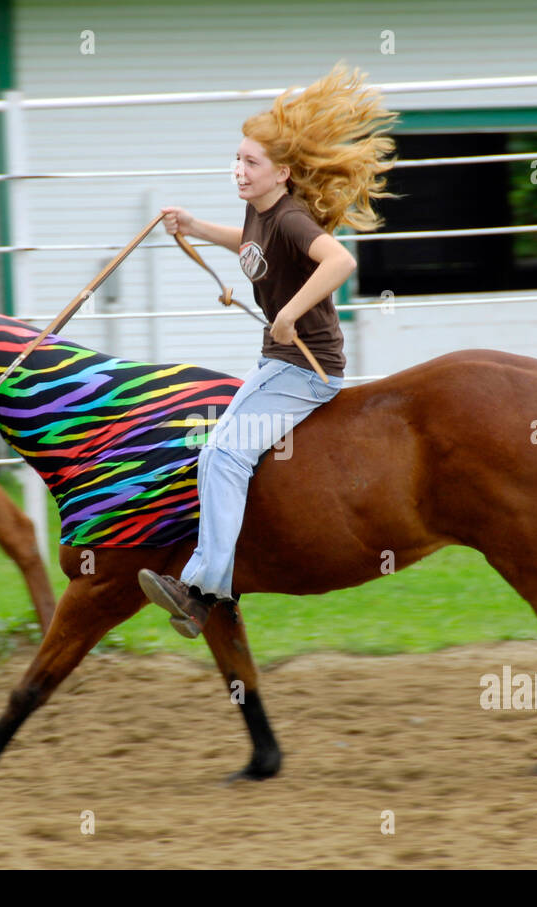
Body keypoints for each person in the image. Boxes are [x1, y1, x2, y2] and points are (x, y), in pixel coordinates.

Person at [138, 64, 395, 637]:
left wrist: (289, 312)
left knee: (222, 456)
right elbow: (250, 245)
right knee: (218, 449)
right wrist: (194, 225)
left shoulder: (293, 217)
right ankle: (212, 577)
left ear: (281, 173)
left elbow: (341, 261)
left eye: (250, 163)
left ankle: (202, 588)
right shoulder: (261, 212)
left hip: (306, 370)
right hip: (278, 365)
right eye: (236, 159)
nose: (239, 170)